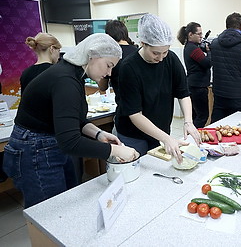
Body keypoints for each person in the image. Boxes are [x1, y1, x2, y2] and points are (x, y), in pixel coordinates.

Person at [2, 33, 140, 208]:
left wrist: (98, 134)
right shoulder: (65, 80)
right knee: (50, 209)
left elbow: (75, 120)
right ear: (92, 55)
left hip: (48, 141)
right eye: (108, 65)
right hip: (35, 148)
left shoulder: (73, 74)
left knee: (65, 200)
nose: (109, 73)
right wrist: (115, 151)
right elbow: (70, 141)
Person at [115, 14, 201, 161]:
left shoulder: (171, 59)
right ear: (143, 43)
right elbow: (135, 114)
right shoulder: (128, 67)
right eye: (155, 53)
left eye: (165, 52)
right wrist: (166, 138)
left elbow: (183, 93)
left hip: (161, 131)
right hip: (133, 135)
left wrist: (188, 122)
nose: (161, 58)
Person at [210, 12, 241, 122]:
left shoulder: (214, 44)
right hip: (239, 95)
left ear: (226, 25)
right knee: (238, 129)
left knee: (217, 127)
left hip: (219, 93)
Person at [177, 22, 212, 128]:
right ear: (190, 35)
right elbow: (207, 63)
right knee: (202, 116)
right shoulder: (192, 48)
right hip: (198, 87)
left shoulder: (191, 47)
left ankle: (191, 137)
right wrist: (209, 52)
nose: (201, 36)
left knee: (196, 116)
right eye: (199, 34)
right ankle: (193, 136)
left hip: (194, 85)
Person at [98, 20, 138, 105]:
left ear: (108, 36)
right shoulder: (139, 52)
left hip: (124, 107)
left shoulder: (111, 55)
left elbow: (103, 87)